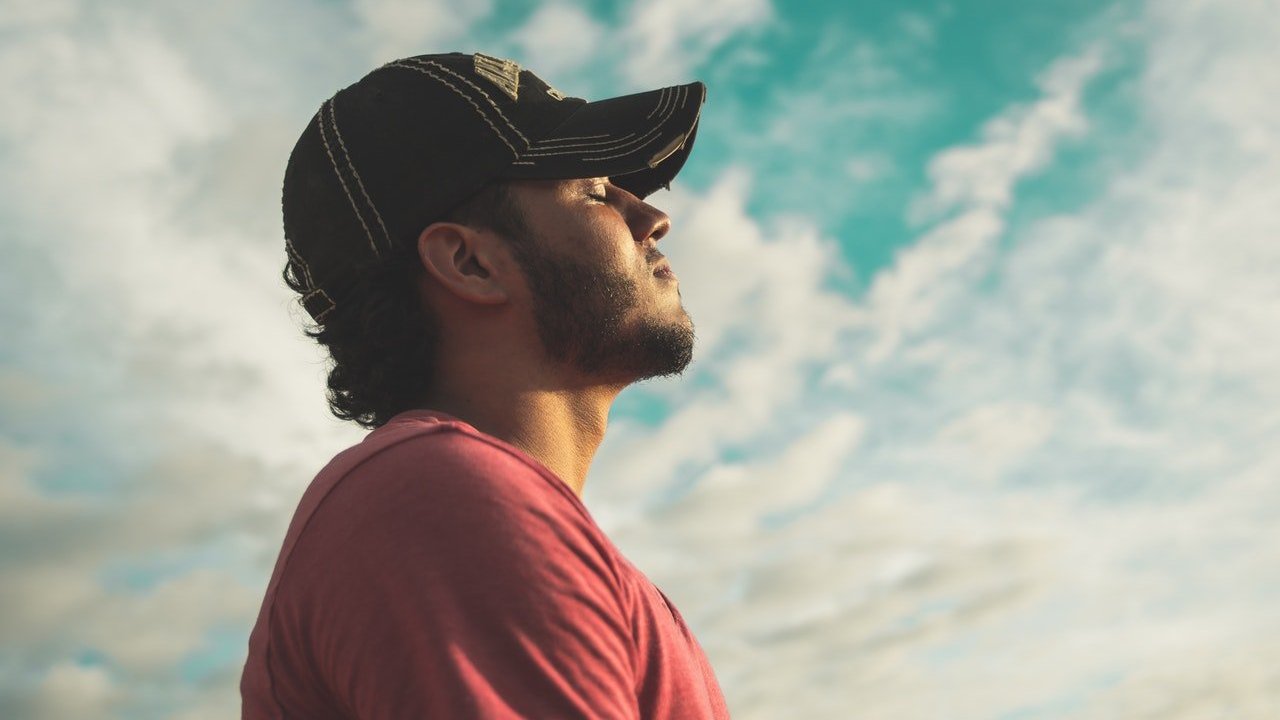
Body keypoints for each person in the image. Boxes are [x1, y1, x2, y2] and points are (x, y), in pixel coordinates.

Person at [240, 52, 730, 719]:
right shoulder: (439, 498)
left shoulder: (461, 506)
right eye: (593, 192)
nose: (648, 218)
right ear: (470, 262)